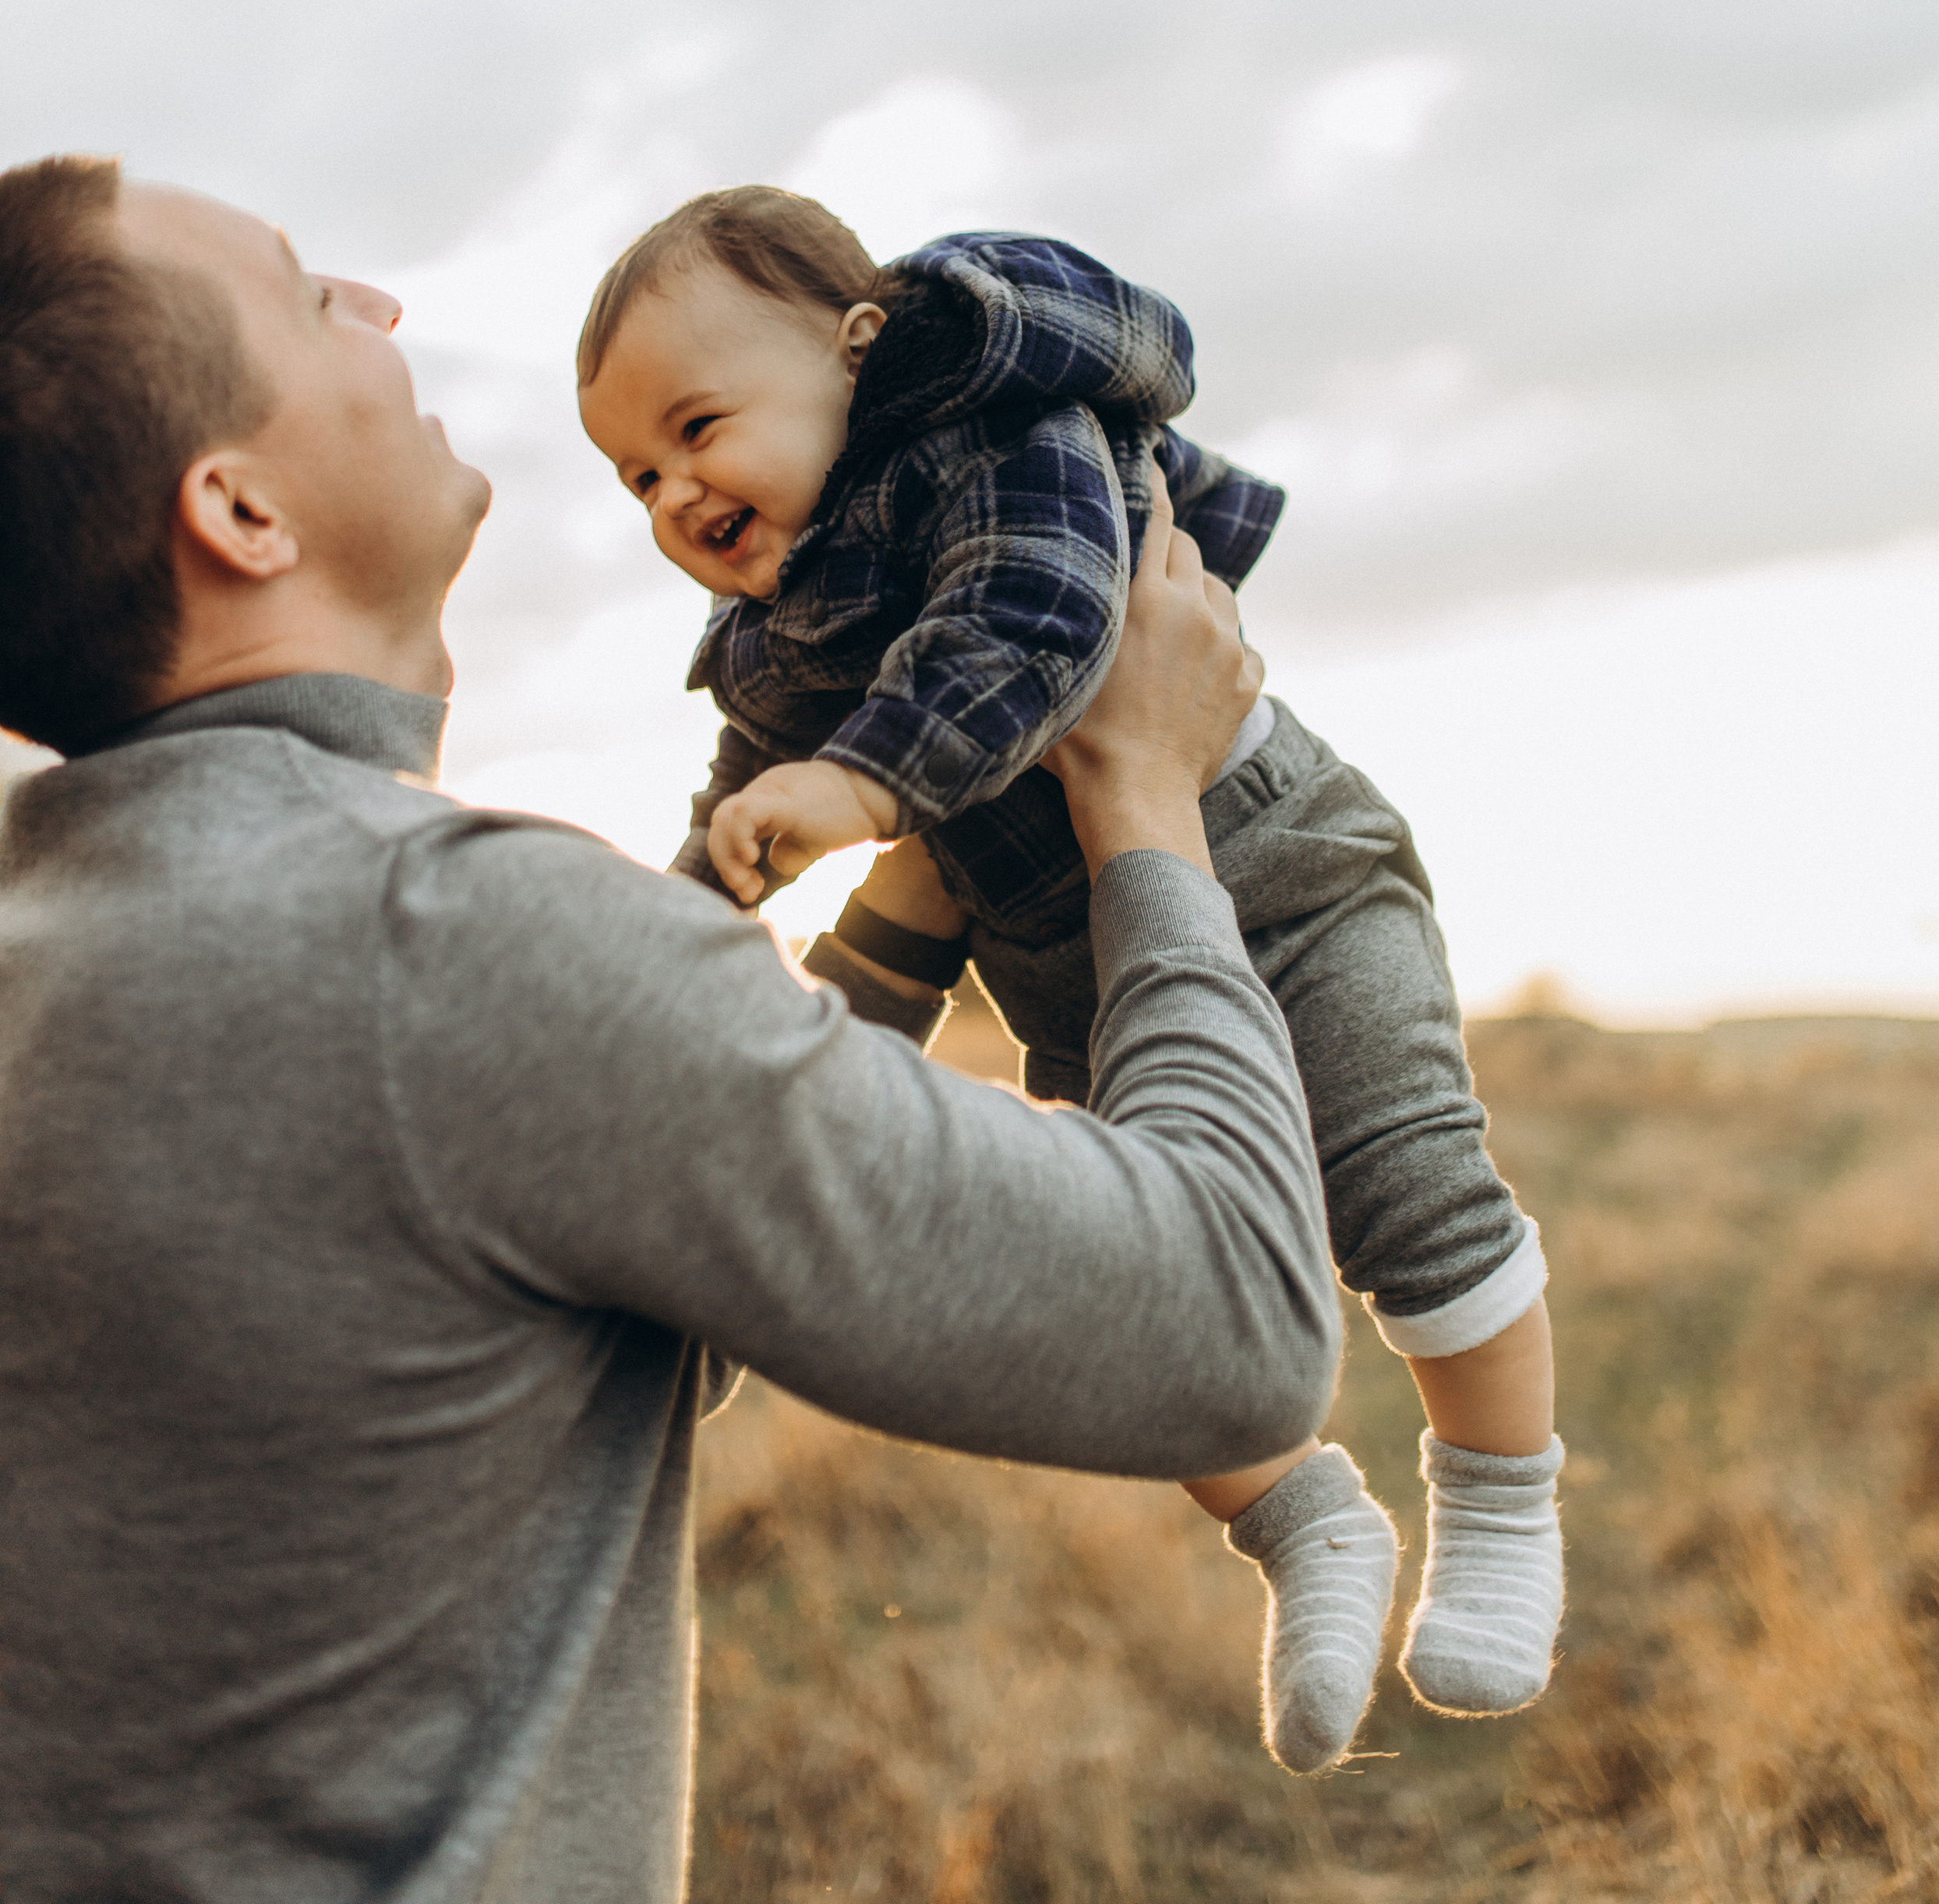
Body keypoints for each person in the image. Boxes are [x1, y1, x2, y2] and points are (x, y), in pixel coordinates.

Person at [0, 152, 1339, 1904]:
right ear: (241, 510)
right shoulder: (454, 941)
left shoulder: (62, 946)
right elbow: (1230, 1324)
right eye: (308, 290)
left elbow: (605, 1274)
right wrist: (1141, 791)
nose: (379, 307)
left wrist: (870, 916)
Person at [578, 189, 1566, 1775]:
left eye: (698, 426)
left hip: (1276, 867)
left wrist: (867, 794)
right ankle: (1302, 1519)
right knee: (1137, 1294)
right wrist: (699, 904)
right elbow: (739, 795)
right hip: (1069, 967)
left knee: (1407, 1193)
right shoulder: (778, 627)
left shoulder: (1001, 434)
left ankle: (1500, 1504)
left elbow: (1031, 628)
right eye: (636, 474)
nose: (676, 491)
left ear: (859, 351)